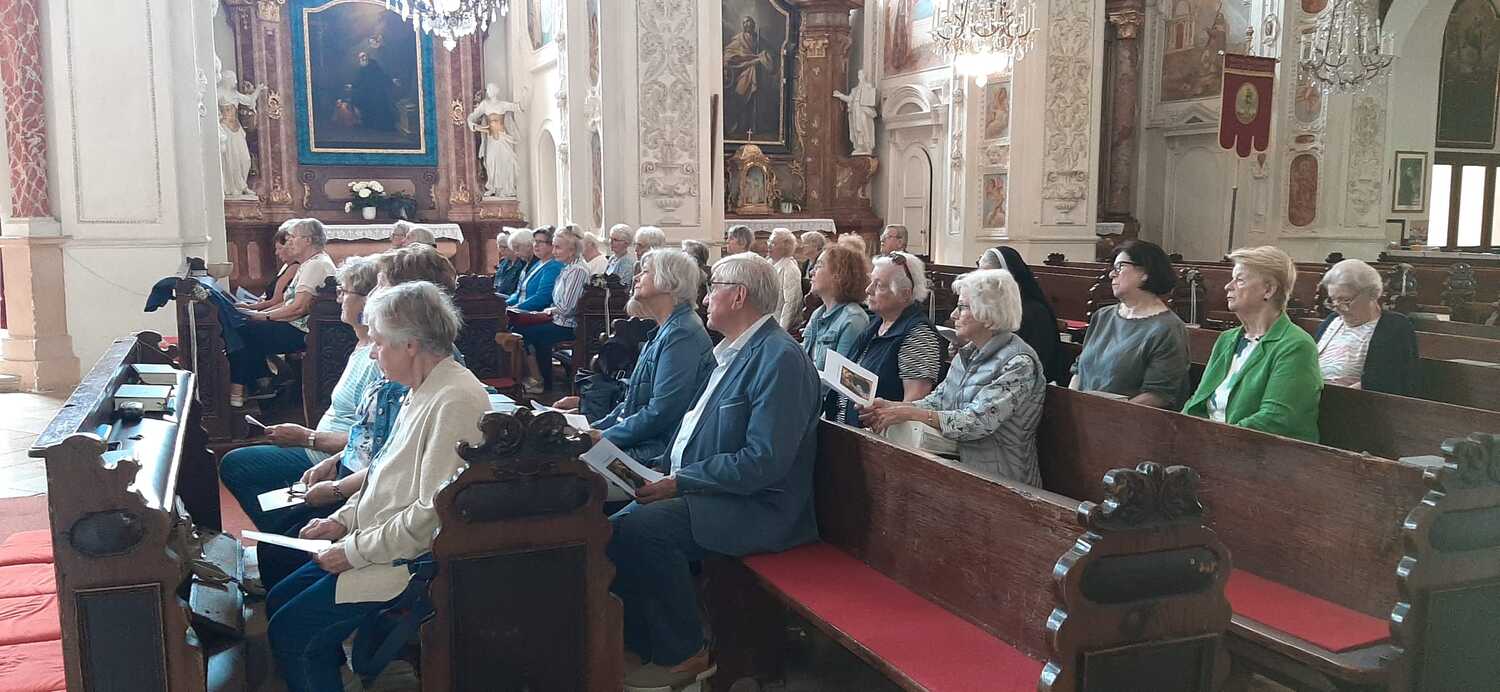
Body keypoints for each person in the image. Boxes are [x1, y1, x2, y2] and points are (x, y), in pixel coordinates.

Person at [607, 253, 821, 689]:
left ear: (738, 296)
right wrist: (656, 470)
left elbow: (764, 460)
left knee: (642, 530)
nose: (704, 298)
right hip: (715, 492)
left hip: (760, 507)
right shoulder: (736, 351)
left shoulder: (779, 358)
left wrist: (680, 481)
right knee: (610, 527)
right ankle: (645, 643)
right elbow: (696, 429)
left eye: (713, 288)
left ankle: (685, 651)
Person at [268, 281, 489, 692]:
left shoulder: (455, 399)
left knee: (293, 631)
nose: (372, 352)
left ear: (410, 345)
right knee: (279, 598)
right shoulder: (421, 388)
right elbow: (384, 475)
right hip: (378, 543)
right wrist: (340, 520)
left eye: (379, 342)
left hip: (411, 562)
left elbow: (432, 516)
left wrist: (352, 551)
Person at [220, 257, 400, 588]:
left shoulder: (382, 357)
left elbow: (376, 440)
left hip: (336, 458)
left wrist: (308, 438)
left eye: (344, 291)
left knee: (237, 465)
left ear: (367, 300)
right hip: (331, 455)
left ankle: (290, 547)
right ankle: (287, 544)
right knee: (267, 496)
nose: (338, 297)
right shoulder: (363, 344)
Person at [860, 269, 1044, 485]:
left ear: (989, 313)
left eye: (962, 307)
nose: (954, 315)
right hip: (961, 466)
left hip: (1002, 478)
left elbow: (977, 421)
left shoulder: (1018, 363)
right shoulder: (967, 354)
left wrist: (910, 413)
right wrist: (891, 407)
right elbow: (938, 400)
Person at [558, 250, 715, 463]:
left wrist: (603, 438)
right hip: (644, 439)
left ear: (669, 281)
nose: (636, 277)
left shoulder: (682, 334)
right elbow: (632, 402)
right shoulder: (667, 328)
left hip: (660, 450)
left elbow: (661, 412)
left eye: (646, 271)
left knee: (562, 466)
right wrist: (594, 430)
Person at [1184, 246, 1322, 442]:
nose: (1228, 286)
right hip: (1213, 443)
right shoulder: (1227, 339)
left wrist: (1213, 442)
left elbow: (1276, 420)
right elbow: (1198, 400)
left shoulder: (1296, 346)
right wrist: (1180, 432)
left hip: (1261, 451)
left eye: (1239, 280)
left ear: (1268, 289)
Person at [1070, 240, 1191, 408]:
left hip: (1129, 419)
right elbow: (1079, 370)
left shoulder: (1168, 328)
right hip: (1084, 413)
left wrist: (1103, 414)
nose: (1112, 274)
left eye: (1120, 267)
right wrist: (1072, 405)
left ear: (1145, 273)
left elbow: (1158, 395)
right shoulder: (1103, 316)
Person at [232, 218, 337, 407]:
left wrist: (263, 316)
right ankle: (261, 383)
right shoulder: (309, 263)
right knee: (245, 325)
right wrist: (257, 313)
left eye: (293, 238)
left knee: (241, 330)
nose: (289, 243)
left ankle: (241, 390)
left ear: (308, 240)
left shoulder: (316, 265)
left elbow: (298, 308)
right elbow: (288, 302)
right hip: (298, 325)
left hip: (304, 332)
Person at [831, 251, 943, 425]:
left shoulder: (919, 335)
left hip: (878, 435)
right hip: (848, 429)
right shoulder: (877, 323)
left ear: (905, 294)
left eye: (879, 285)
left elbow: (914, 404)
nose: (868, 290)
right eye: (871, 282)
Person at [1314, 259, 1420, 395]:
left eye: (1345, 300)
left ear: (1371, 294)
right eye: (1332, 300)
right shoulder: (1331, 321)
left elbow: (1390, 381)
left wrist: (1333, 397)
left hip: (1355, 403)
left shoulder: (1395, 327)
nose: (1338, 307)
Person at [511, 227, 591, 393]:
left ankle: (543, 383)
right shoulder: (567, 267)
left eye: (558, 247)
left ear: (572, 250)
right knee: (521, 328)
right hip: (558, 319)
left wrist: (548, 311)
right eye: (553, 246)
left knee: (528, 332)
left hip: (568, 325)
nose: (554, 251)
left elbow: (567, 308)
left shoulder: (577, 270)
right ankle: (536, 378)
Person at [977, 247, 1067, 383]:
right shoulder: (991, 308)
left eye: (989, 278)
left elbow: (1033, 363)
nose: (983, 284)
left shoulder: (1035, 313)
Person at [801, 243, 871, 372]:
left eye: (819, 266)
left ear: (838, 274)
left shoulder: (854, 319)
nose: (811, 272)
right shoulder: (818, 313)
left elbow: (837, 376)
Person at [240, 229, 299, 310]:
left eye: (279, 248)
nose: (276, 253)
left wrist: (249, 307)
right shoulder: (286, 266)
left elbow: (276, 301)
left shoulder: (294, 268)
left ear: (291, 248)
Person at [507, 227, 563, 311]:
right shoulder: (538, 264)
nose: (536, 245)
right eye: (534, 241)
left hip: (534, 315)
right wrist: (505, 304)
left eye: (540, 242)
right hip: (519, 311)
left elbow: (542, 298)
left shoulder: (554, 266)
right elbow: (519, 293)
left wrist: (515, 308)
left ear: (552, 245)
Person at [768, 228, 804, 330]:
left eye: (774, 243)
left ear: (785, 247)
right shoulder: (768, 263)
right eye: (769, 241)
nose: (769, 245)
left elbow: (791, 304)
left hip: (778, 322)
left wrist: (781, 330)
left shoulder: (790, 269)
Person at [493, 227, 532, 297]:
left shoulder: (523, 264)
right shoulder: (503, 263)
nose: (501, 250)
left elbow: (518, 291)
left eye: (504, 247)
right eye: (499, 246)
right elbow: (496, 284)